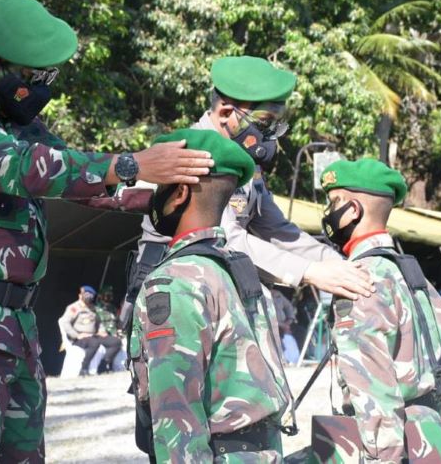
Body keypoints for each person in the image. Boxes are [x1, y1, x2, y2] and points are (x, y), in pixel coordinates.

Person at [0, 0, 213, 462]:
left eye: (47, 77)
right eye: (32, 77)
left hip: (13, 323)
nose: (41, 88)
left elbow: (81, 180)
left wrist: (162, 197)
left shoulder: (18, 122)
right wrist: (131, 162)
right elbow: (26, 168)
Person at [129, 56, 373, 326]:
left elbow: (278, 230)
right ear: (225, 113)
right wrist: (310, 272)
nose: (270, 135)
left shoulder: (242, 162)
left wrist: (338, 263)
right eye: (265, 122)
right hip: (172, 299)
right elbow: (224, 239)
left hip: (213, 289)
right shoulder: (191, 152)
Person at [131, 129, 293, 462]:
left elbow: (177, 421)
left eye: (159, 188)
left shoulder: (174, 281)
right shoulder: (245, 274)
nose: (154, 198)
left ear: (178, 193)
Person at [308, 158, 441, 462]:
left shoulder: (358, 280)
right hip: (429, 440)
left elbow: (374, 397)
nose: (328, 213)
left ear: (352, 210)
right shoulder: (412, 275)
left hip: (390, 446)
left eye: (332, 202)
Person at [58, 285, 122, 375]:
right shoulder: (74, 308)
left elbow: (98, 322)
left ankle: (104, 364)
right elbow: (65, 322)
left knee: (116, 342)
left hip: (93, 336)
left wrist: (102, 330)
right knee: (94, 343)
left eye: (90, 294)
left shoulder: (93, 308)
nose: (88, 296)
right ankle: (84, 368)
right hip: (79, 338)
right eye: (86, 294)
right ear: (80, 295)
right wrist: (76, 335)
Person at [271, 288, 300, 365]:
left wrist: (289, 320)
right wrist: (280, 324)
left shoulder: (277, 294)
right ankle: (281, 360)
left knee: (300, 332)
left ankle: (291, 359)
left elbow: (288, 306)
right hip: (271, 325)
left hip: (284, 324)